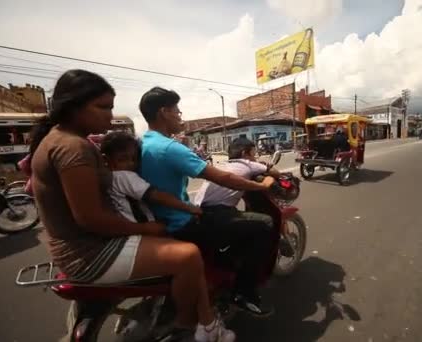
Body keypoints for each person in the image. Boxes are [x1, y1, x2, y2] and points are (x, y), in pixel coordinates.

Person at [29, 70, 234, 342]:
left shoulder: (64, 140)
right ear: (73, 106)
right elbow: (90, 219)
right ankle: (188, 324)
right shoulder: (71, 147)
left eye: (111, 107)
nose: (109, 115)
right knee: (188, 256)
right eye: (102, 107)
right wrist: (147, 228)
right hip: (90, 253)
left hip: (79, 247)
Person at [139, 86, 276, 317]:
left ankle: (221, 270)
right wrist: (260, 186)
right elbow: (222, 178)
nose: (180, 116)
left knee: (226, 222)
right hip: (182, 224)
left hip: (157, 219)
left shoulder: (141, 143)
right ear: (163, 112)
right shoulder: (170, 148)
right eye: (177, 111)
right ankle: (243, 293)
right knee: (263, 225)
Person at [100, 131, 202, 223]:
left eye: (134, 159)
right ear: (106, 159)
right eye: (122, 159)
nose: (130, 163)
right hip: (141, 230)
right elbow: (155, 196)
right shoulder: (123, 176)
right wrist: (189, 208)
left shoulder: (107, 177)